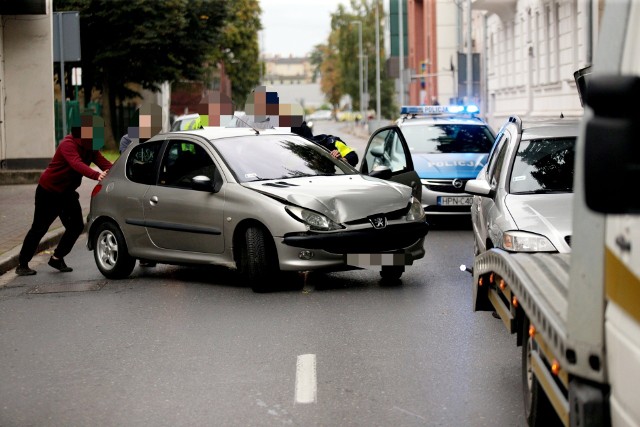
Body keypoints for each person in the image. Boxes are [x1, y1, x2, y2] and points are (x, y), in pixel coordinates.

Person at [15, 115, 113, 276]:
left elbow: (105, 163)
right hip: (49, 191)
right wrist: (97, 176)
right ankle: (22, 264)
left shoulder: (91, 147)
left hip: (67, 193)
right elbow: (76, 163)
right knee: (39, 228)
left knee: (76, 226)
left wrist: (121, 170)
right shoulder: (68, 144)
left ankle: (57, 258)